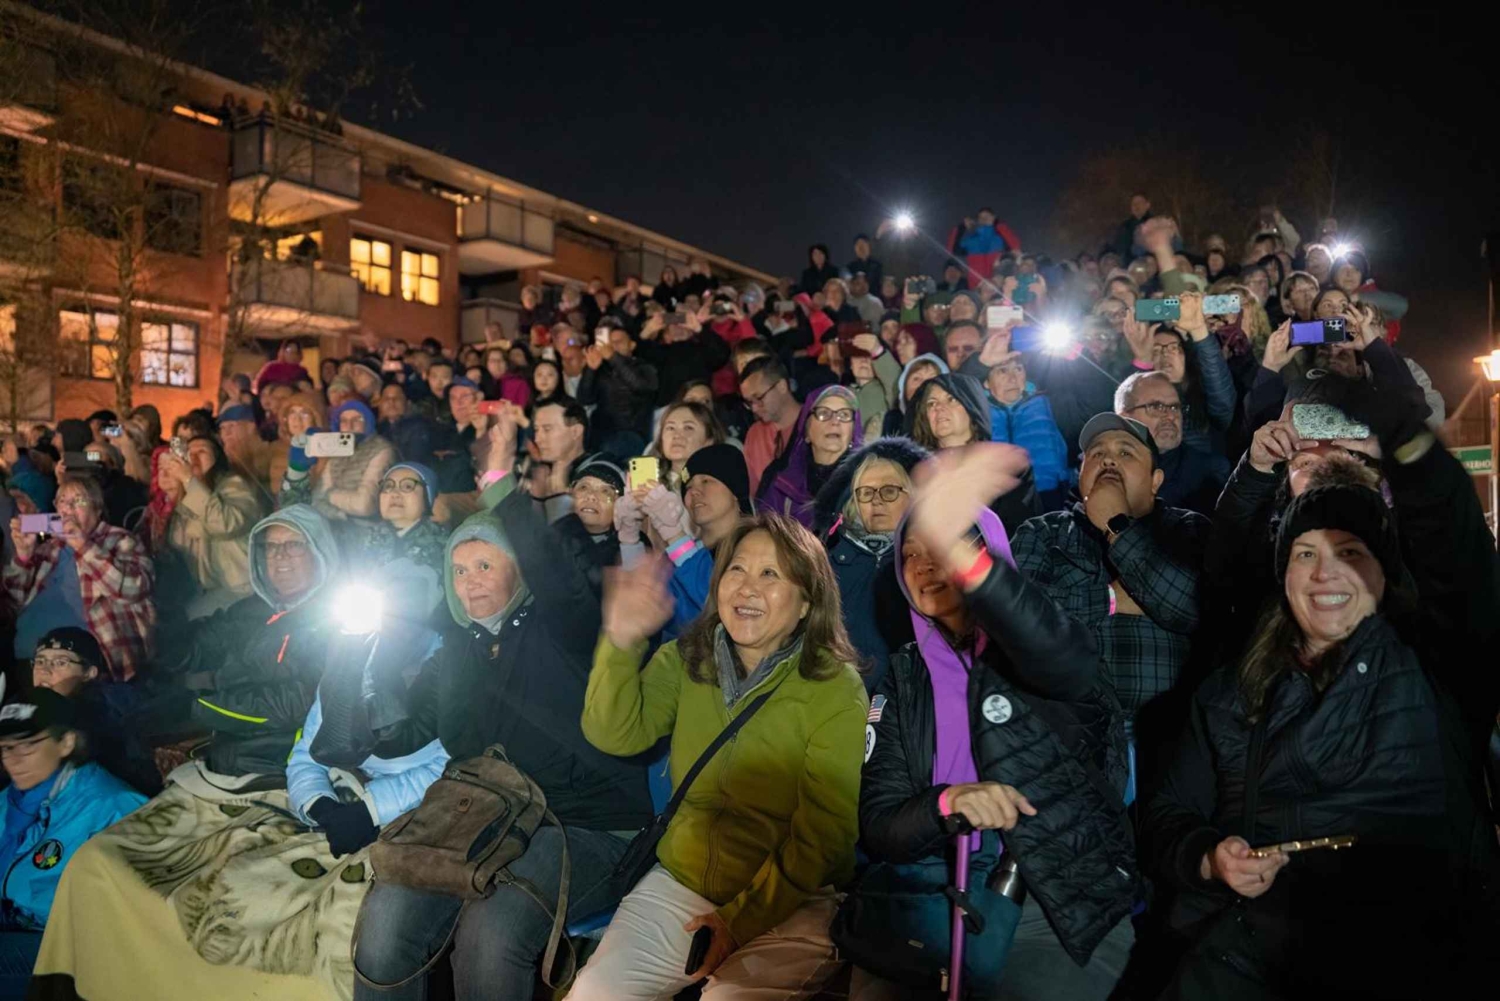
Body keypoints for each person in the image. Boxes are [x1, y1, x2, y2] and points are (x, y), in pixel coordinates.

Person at [1144, 466, 1500, 999]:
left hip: (1418, 955)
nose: (1324, 572)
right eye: (1305, 553)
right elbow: (1167, 814)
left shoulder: (1436, 664)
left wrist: (1397, 428)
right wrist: (1211, 856)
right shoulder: (1228, 691)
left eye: (1350, 551)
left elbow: (1461, 543)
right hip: (1254, 954)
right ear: (1283, 573)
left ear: (1386, 569)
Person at [851, 444, 1138, 1001]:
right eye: (912, 553)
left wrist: (958, 550)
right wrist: (946, 803)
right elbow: (881, 824)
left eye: (945, 546)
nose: (927, 564)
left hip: (1052, 890)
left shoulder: (1040, 643)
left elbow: (1059, 655)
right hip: (933, 891)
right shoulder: (903, 679)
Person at [350, 475, 653, 1001]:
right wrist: (356, 664)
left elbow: (560, 582)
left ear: (520, 568)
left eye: (486, 564)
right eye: (460, 570)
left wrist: (501, 489)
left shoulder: (565, 628)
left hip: (587, 822)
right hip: (494, 815)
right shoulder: (459, 646)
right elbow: (435, 738)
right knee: (385, 917)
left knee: (491, 935)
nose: (470, 582)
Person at [567, 514, 868, 1000]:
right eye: (737, 569)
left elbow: (825, 837)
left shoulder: (834, 689)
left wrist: (736, 920)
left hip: (791, 900)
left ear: (806, 603)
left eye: (771, 574)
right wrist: (620, 640)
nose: (748, 587)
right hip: (683, 882)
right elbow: (616, 732)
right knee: (594, 993)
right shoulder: (689, 657)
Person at [1011, 414, 1209, 803]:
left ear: (1156, 481)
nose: (1108, 460)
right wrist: (1116, 597)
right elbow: (1024, 627)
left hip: (1173, 741)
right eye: (1096, 453)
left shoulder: (1189, 531)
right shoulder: (1042, 534)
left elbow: (1191, 606)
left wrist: (1116, 526)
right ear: (1079, 474)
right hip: (1070, 744)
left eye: (1125, 452)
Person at [152, 505, 341, 775]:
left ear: (320, 551)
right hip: (235, 748)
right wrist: (162, 630)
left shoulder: (337, 618)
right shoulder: (253, 609)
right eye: (270, 546)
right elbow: (201, 646)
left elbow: (295, 704)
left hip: (294, 762)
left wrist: (197, 707)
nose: (280, 555)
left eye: (294, 544)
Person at [0, 689, 146, 989]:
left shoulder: (115, 807)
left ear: (66, 742)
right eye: (5, 747)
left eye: (27, 746)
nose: (13, 760)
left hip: (66, 946)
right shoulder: (11, 800)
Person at [7, 474, 155, 682]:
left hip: (87, 665)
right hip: (28, 658)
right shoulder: (50, 548)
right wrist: (23, 555)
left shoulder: (120, 540)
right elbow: (12, 601)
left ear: (97, 508)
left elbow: (134, 589)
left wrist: (83, 546)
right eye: (62, 502)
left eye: (79, 501)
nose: (68, 509)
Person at [811, 437, 926, 692]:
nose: (876, 501)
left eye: (889, 491)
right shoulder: (825, 565)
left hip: (912, 705)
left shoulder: (930, 562)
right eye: (866, 492)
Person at [619, 443, 753, 638]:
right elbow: (639, 606)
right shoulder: (677, 553)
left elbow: (720, 607)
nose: (694, 491)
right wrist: (629, 539)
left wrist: (674, 535)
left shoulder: (757, 547)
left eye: (706, 481)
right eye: (688, 487)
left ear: (735, 492)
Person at [29, 626, 160, 796]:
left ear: (89, 673)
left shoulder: (103, 715)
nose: (44, 670)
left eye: (61, 662)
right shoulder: (28, 709)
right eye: (40, 661)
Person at [156, 434, 270, 618]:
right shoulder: (189, 494)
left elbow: (225, 523)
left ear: (217, 458)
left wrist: (188, 480)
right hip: (209, 590)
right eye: (189, 452)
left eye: (202, 451)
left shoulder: (234, 485)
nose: (193, 457)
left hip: (242, 588)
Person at [907, 373, 1038, 533]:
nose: (939, 408)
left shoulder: (1007, 464)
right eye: (931, 403)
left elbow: (1023, 530)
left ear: (972, 406)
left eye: (951, 399)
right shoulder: (915, 471)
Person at [1115, 372, 1229, 515]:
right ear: (1125, 419)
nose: (1170, 416)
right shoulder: (1102, 468)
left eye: (1175, 407)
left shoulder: (1209, 473)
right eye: (1156, 407)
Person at [756, 386, 863, 527]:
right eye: (823, 413)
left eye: (844, 415)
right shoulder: (782, 488)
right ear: (806, 430)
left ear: (853, 433)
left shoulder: (864, 485)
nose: (835, 422)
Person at [977, 349, 1070, 510]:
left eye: (1018, 369)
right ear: (986, 382)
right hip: (995, 502)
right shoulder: (976, 413)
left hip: (1049, 498)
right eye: (1002, 371)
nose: (1012, 378)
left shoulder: (1047, 403)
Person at [280, 400, 397, 523]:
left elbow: (364, 505)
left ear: (368, 422)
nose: (350, 425)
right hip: (332, 524)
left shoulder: (381, 449)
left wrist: (329, 495)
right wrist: (339, 514)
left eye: (357, 419)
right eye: (344, 421)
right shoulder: (336, 450)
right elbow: (315, 500)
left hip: (368, 530)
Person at [352, 461, 449, 578]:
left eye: (407, 486)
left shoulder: (445, 544)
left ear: (427, 498)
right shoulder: (364, 539)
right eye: (388, 486)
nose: (394, 494)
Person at [577, 319, 659, 454]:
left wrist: (613, 357)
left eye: (619, 342)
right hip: (601, 433)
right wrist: (590, 370)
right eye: (610, 343)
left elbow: (641, 386)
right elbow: (584, 399)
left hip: (633, 435)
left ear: (632, 345)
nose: (612, 346)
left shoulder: (645, 367)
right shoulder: (601, 369)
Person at [553, 453, 626, 597]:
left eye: (606, 491)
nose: (591, 495)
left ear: (620, 505)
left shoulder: (627, 551)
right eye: (584, 487)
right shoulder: (549, 538)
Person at [737, 356, 801, 496]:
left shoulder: (814, 423)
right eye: (749, 402)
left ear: (782, 386)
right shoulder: (755, 434)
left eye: (759, 398)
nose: (754, 408)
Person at [648, 401, 726, 493]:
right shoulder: (648, 481)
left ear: (709, 441)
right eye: (670, 428)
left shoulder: (722, 486)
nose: (677, 435)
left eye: (688, 428)